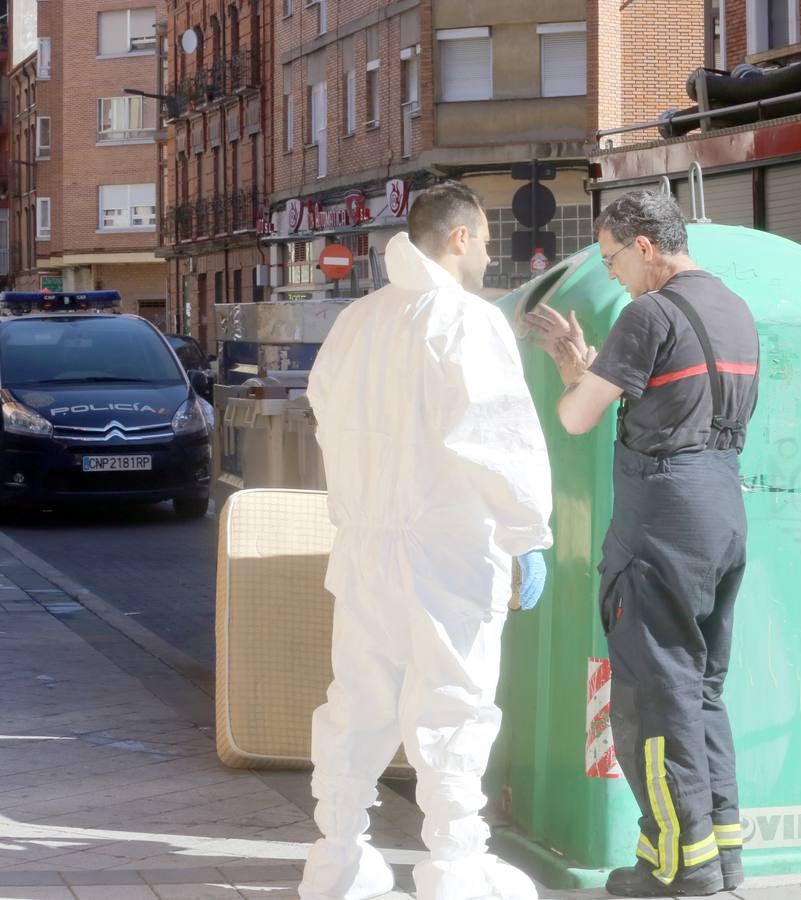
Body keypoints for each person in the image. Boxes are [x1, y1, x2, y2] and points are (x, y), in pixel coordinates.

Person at [299, 182, 554, 900]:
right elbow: (497, 434)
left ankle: (338, 857)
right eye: (485, 241)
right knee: (453, 700)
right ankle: (453, 864)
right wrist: (527, 531)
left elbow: (327, 419)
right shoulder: (465, 320)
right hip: (446, 544)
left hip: (365, 547)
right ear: (462, 238)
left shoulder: (358, 321)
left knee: (358, 695)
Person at [524, 190, 758, 898]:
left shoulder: (648, 313)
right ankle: (720, 855)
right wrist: (596, 368)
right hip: (721, 505)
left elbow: (574, 418)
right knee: (701, 690)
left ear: (645, 246)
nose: (613, 274)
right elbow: (676, 399)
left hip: (660, 517)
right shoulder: (733, 308)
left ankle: (676, 868)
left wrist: (573, 369)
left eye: (612, 259)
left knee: (655, 697)